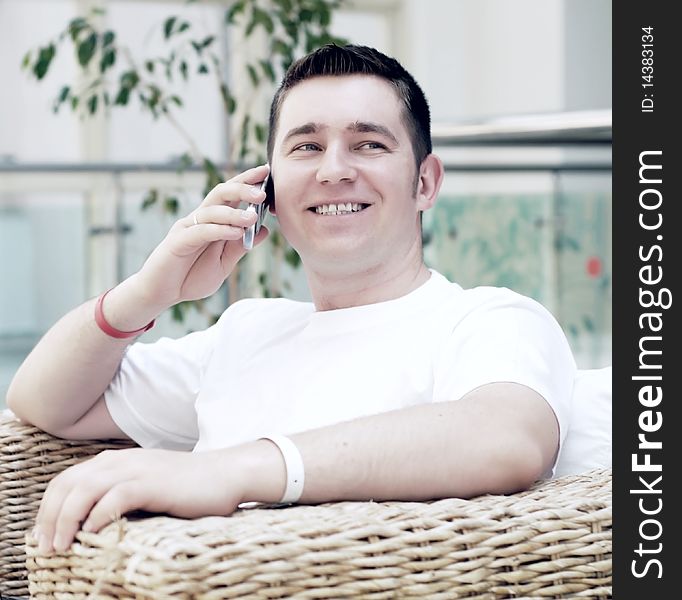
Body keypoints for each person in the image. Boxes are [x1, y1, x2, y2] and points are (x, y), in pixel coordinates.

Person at [6, 44, 577, 555]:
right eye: (307, 146)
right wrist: (149, 291)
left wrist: (235, 470)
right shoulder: (246, 331)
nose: (334, 170)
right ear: (269, 193)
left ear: (424, 182)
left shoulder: (488, 318)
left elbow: (507, 437)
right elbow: (43, 401)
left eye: (368, 144)